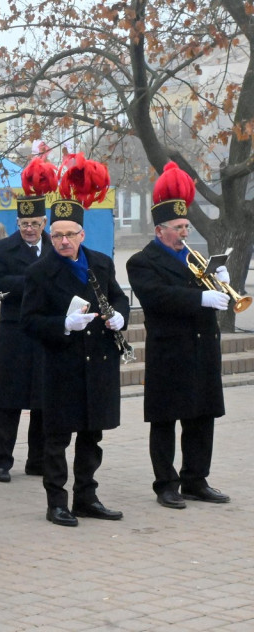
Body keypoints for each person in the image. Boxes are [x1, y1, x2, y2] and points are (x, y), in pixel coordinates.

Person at [21, 153, 128, 528]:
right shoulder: (39, 272)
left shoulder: (100, 262)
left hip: (97, 360)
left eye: (71, 234)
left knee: (92, 435)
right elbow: (28, 321)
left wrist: (119, 316)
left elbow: (119, 297)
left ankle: (87, 496)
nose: (64, 241)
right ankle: (57, 502)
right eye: (58, 235)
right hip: (61, 363)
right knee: (56, 439)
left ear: (82, 235)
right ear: (51, 236)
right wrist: (62, 325)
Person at [126, 161, 230, 509]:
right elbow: (157, 297)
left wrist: (221, 283)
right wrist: (200, 296)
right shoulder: (141, 261)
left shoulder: (193, 257)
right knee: (165, 419)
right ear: (160, 231)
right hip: (170, 350)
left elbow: (206, 292)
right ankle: (166, 484)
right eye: (179, 227)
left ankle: (196, 479)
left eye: (186, 226)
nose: (186, 232)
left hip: (202, 347)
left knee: (201, 416)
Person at [0, 158, 55, 483]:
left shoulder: (56, 248)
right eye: (24, 224)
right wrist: (32, 280)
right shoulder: (4, 249)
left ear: (44, 222)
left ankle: (37, 459)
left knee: (42, 398)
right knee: (9, 399)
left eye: (35, 224)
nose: (29, 229)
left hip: (46, 331)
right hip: (15, 330)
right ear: (18, 222)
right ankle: (1, 460)